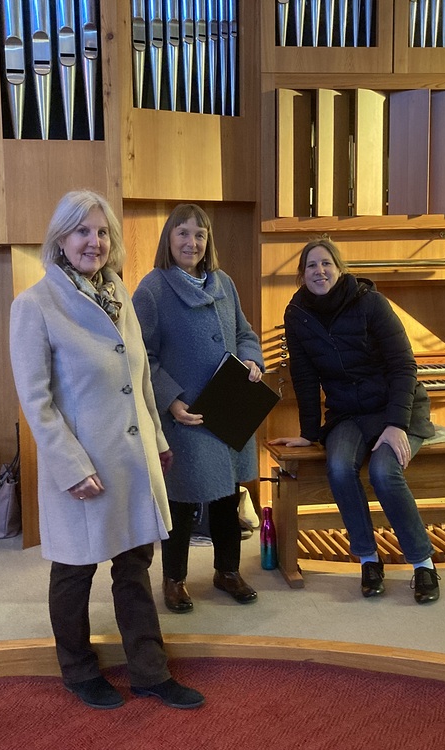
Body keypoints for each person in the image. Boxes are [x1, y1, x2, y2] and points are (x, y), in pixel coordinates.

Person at [9, 190, 204, 711]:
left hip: (131, 459)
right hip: (82, 466)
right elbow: (36, 403)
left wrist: (157, 440)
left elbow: (139, 378)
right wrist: (70, 467)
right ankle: (77, 670)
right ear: (60, 239)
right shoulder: (34, 305)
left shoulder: (118, 293)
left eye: (101, 232)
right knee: (74, 571)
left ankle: (149, 672)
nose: (93, 242)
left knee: (135, 566)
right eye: (82, 231)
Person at [268, 238, 441, 604]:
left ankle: (423, 564)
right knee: (339, 467)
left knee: (383, 471)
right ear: (302, 274)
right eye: (311, 265)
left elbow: (403, 365)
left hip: (397, 409)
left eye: (326, 264)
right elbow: (304, 376)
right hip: (348, 413)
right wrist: (309, 433)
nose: (319, 271)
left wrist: (397, 424)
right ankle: (368, 559)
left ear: (339, 268)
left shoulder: (370, 302)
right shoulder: (297, 314)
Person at [133, 203, 265, 614]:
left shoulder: (224, 282)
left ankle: (227, 571)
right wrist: (171, 400)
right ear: (169, 239)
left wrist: (252, 360)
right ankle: (174, 580)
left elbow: (245, 333)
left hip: (229, 407)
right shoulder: (152, 289)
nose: (192, 242)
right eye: (183, 233)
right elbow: (141, 356)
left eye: (200, 235)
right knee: (182, 499)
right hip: (186, 415)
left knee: (228, 495)